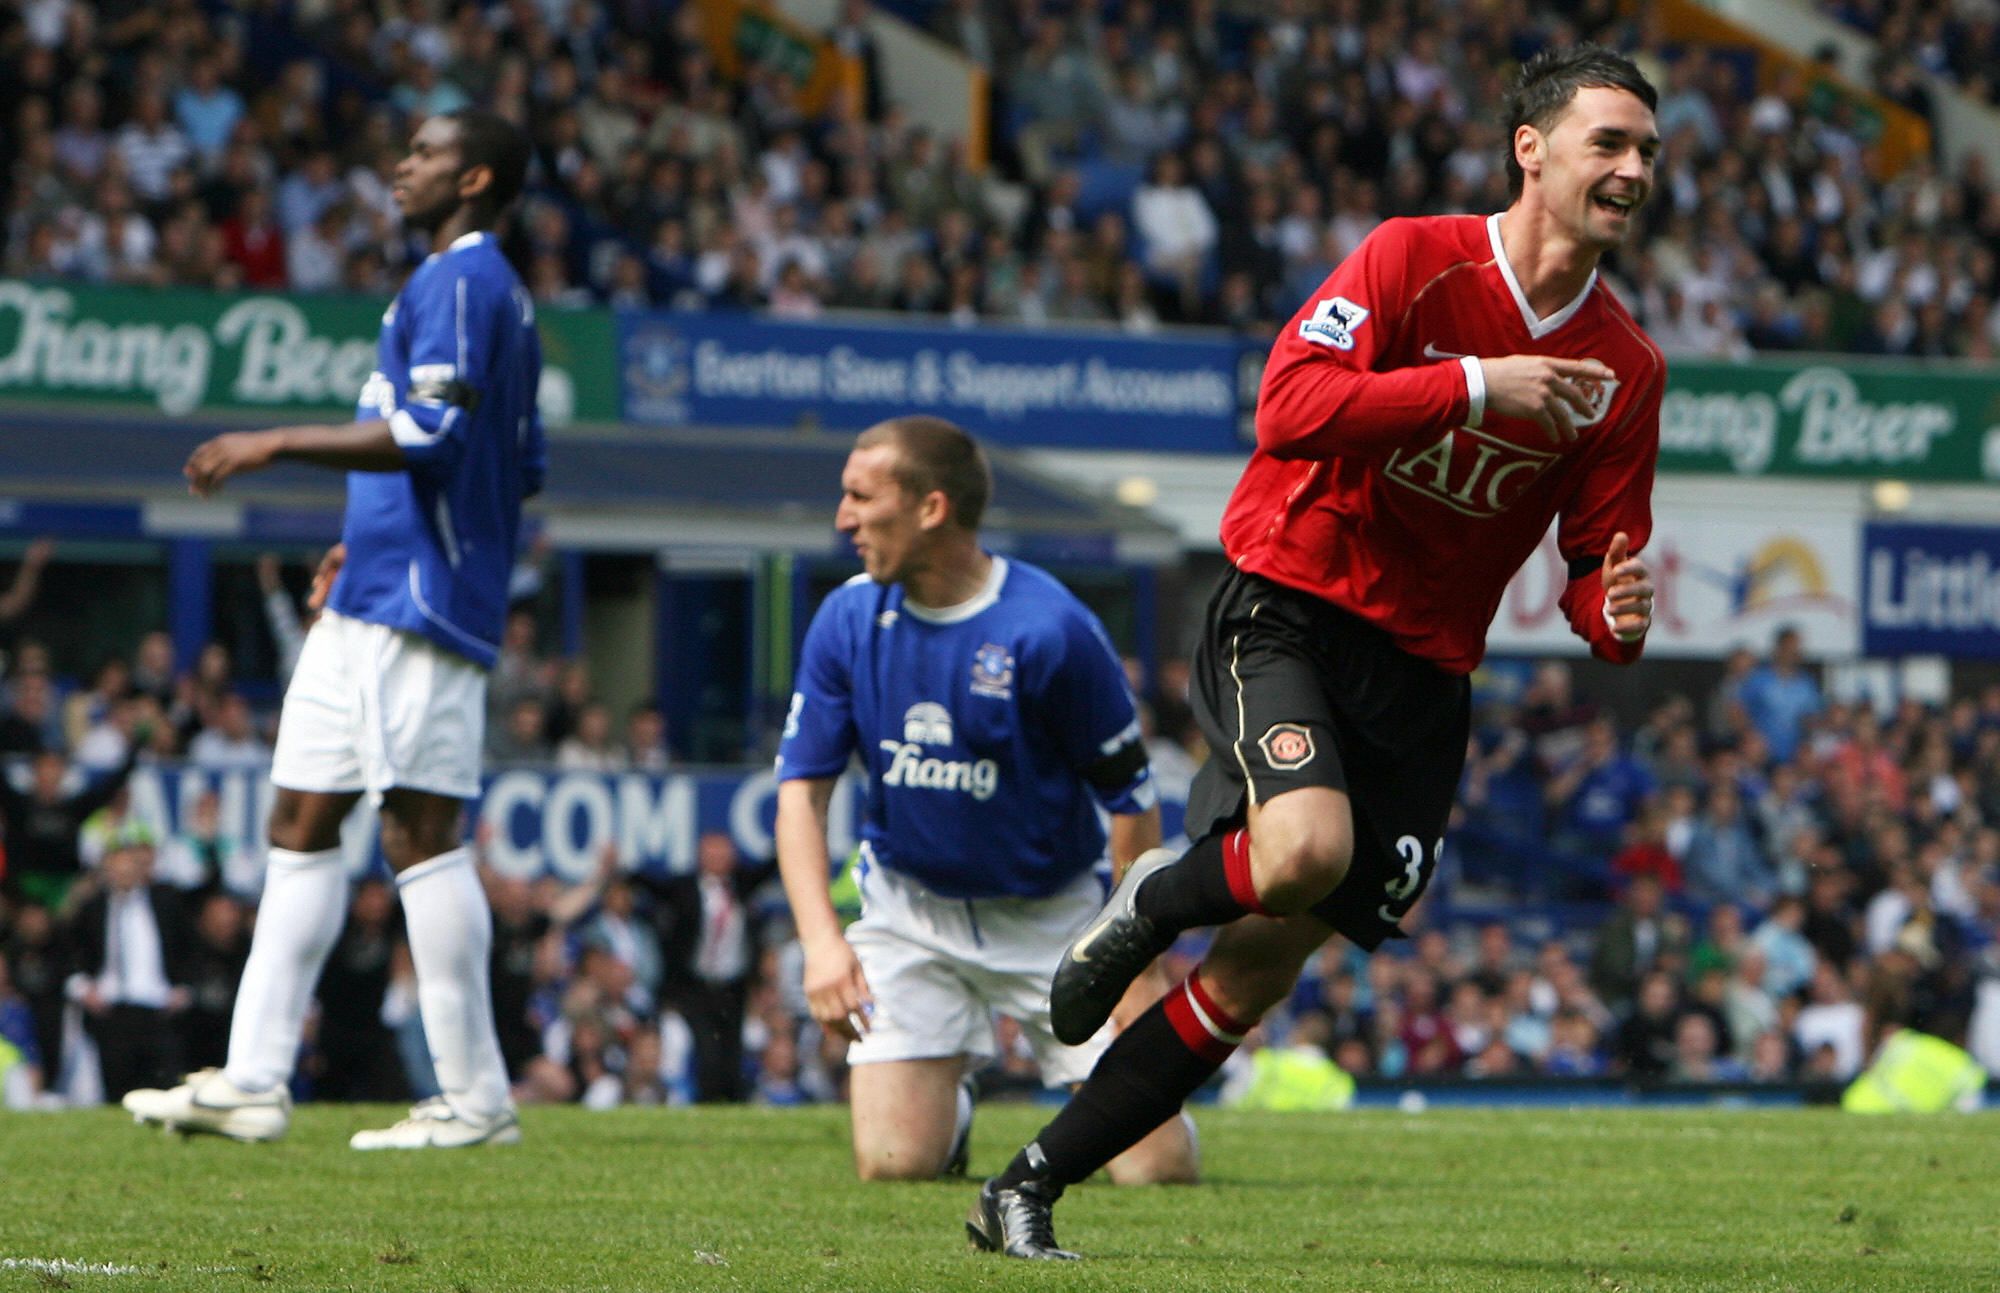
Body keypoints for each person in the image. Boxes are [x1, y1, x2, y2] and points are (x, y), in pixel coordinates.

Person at [972, 45, 1666, 1258]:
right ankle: (1154, 897)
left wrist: (1612, 614)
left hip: (1424, 678)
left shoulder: (1626, 368)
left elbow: (1593, 571)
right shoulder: (1411, 259)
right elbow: (1287, 407)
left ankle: (1023, 1187)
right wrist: (1472, 386)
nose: (1632, 169)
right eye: (1607, 142)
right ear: (1530, 149)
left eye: (1647, 151)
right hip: (1293, 603)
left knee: (1251, 976)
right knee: (1300, 850)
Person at [123, 108, 543, 1150]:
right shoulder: (451, 283)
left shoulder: (468, 280)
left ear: (474, 178)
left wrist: (272, 442)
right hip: (374, 588)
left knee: (417, 834)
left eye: (426, 153)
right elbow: (515, 461)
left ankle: (476, 1099)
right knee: (301, 816)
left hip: (423, 602)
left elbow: (433, 434)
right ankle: (253, 1081)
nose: (401, 166)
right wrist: (367, 539)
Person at [775, 415, 1198, 1185]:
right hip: (911, 914)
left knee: (1156, 1169)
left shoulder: (1053, 631)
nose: (843, 518)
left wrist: (1135, 964)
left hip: (1054, 919)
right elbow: (801, 794)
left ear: (931, 508)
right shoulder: (847, 616)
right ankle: (953, 1111)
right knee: (896, 1163)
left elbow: (1132, 803)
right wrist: (822, 942)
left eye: (861, 497)